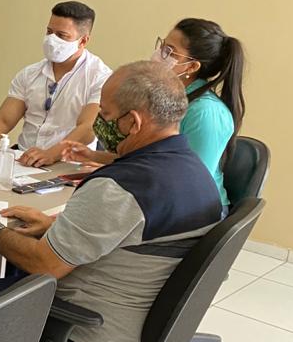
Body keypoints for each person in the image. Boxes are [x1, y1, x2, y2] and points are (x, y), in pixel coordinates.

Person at [0, 61, 221, 342]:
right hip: (139, 328)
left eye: (106, 114)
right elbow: (134, 239)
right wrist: (55, 226)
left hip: (84, 335)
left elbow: (44, 265)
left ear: (133, 122)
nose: (99, 123)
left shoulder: (120, 187)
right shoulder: (195, 173)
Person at [64, 18, 245, 209]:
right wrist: (93, 156)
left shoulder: (205, 113)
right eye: (162, 46)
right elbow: (151, 159)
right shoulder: (166, 99)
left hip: (194, 212)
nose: (159, 54)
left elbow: (190, 181)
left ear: (192, 67)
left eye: (169, 51)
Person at [0, 1, 111, 167]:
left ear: (83, 41)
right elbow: (3, 121)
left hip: (68, 165)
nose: (51, 40)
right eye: (49, 32)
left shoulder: (100, 77)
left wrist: (51, 154)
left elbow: (88, 127)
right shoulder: (29, 74)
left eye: (61, 35)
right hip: (24, 160)